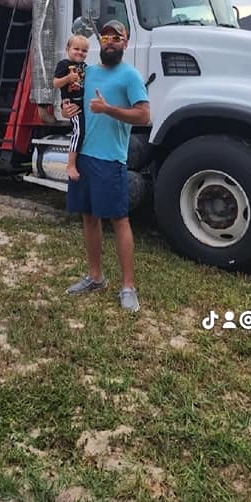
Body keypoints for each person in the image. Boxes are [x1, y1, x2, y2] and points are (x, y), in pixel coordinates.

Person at [63, 20, 150, 313]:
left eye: (117, 37)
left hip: (110, 159)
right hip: (84, 156)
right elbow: (72, 99)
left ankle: (128, 287)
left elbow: (143, 116)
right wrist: (66, 109)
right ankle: (95, 277)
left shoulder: (130, 76)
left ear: (125, 43)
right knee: (88, 218)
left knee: (119, 220)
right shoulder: (88, 73)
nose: (110, 41)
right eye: (105, 36)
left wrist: (109, 109)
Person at [53, 34, 89, 181]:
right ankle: (71, 164)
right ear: (68, 49)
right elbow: (55, 83)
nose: (80, 52)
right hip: (71, 103)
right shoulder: (63, 64)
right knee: (78, 131)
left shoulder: (86, 68)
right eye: (76, 49)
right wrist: (68, 78)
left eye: (84, 50)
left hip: (83, 103)